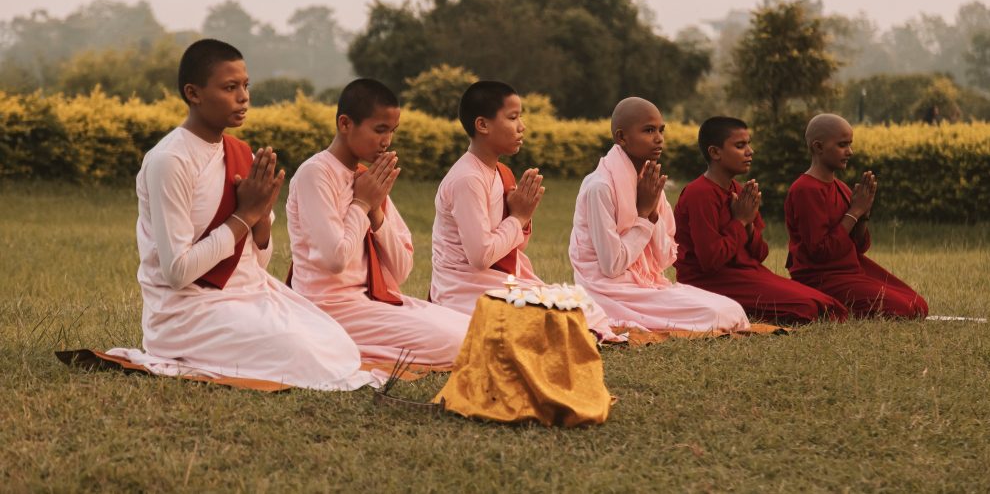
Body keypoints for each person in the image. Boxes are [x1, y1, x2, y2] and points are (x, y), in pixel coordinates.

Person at [108, 39, 375, 390]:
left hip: (250, 292)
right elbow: (177, 273)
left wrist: (262, 217)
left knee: (339, 346)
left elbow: (258, 262)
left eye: (246, 86)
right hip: (187, 311)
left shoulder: (240, 153)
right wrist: (244, 216)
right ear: (194, 93)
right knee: (305, 354)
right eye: (230, 87)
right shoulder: (170, 161)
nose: (244, 97)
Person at [286, 79, 469, 366]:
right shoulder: (315, 174)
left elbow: (401, 270)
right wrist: (361, 204)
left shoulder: (366, 179)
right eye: (379, 130)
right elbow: (335, 259)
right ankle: (338, 348)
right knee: (459, 344)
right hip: (330, 308)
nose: (387, 141)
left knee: (472, 329)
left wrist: (376, 212)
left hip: (372, 301)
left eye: (392, 131)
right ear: (345, 124)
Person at [430, 81, 616, 338]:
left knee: (585, 306)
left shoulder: (500, 172)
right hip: (464, 289)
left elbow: (513, 249)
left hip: (496, 282)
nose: (522, 126)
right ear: (482, 125)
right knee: (554, 319)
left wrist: (523, 217)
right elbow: (481, 256)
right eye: (513, 117)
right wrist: (518, 217)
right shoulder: (468, 179)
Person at [569, 99, 751, 332]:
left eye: (661, 130)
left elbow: (665, 258)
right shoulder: (600, 187)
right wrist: (644, 216)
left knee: (731, 309)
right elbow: (611, 266)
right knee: (716, 315)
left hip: (647, 283)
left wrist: (652, 211)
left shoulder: (649, 183)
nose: (659, 138)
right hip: (607, 290)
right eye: (649, 130)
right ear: (622, 137)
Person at [673, 117, 848, 324]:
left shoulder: (740, 191)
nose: (750, 151)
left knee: (826, 303)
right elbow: (710, 260)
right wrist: (740, 221)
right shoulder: (699, 194)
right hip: (709, 282)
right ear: (715, 152)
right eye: (740, 145)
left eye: (749, 143)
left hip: (746, 274)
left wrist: (747, 227)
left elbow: (760, 253)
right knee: (808, 308)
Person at [784, 113, 928, 318]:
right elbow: (819, 251)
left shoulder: (840, 187)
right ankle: (826, 301)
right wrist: (854, 211)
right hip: (820, 277)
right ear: (818, 147)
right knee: (903, 310)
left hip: (850, 268)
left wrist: (863, 214)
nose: (849, 152)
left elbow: (858, 246)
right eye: (842, 145)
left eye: (850, 144)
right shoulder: (805, 190)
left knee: (918, 305)